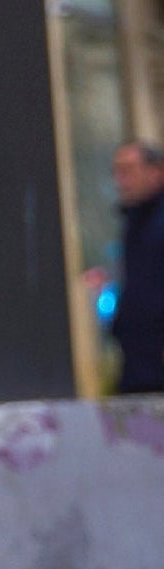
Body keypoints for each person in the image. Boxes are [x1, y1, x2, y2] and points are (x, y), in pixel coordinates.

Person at [110, 140, 164, 394]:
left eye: (129, 170)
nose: (121, 180)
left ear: (156, 172)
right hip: (139, 361)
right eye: (117, 172)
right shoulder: (135, 221)